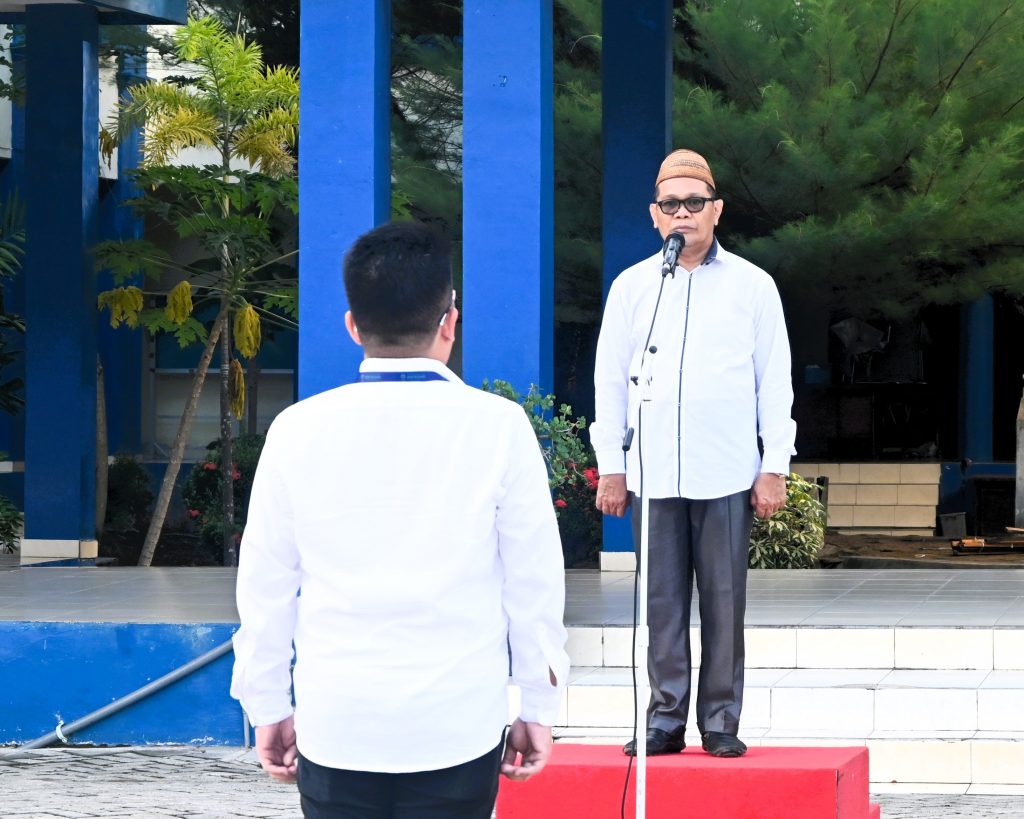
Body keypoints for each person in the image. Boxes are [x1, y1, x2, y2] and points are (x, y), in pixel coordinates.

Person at [230, 221, 569, 818]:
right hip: (458, 724)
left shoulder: (297, 430)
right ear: (450, 322)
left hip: (337, 723)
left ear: (353, 326)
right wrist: (538, 706)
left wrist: (266, 706)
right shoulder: (499, 427)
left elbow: (264, 589)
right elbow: (533, 583)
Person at [590, 149, 796, 759]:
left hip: (727, 469)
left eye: (694, 204)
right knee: (661, 603)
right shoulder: (633, 287)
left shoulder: (753, 286)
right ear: (655, 215)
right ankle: (664, 719)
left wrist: (775, 465)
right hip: (654, 475)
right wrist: (612, 465)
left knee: (725, 602)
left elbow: (774, 382)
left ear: (717, 211)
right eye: (670, 205)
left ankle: (722, 720)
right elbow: (609, 381)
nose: (683, 215)